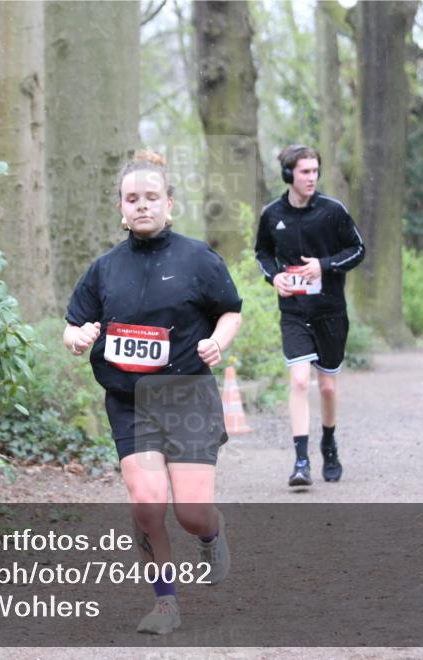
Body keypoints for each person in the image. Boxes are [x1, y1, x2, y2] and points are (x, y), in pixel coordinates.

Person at [63, 149, 243, 635]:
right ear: (120, 209)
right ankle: (165, 604)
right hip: (130, 401)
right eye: (131, 198)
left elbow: (231, 310)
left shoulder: (198, 258)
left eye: (151, 197)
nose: (142, 205)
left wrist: (216, 342)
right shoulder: (104, 269)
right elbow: (75, 322)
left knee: (189, 512)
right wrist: (76, 336)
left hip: (186, 396)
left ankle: (211, 531)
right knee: (146, 505)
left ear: (169, 204)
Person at [255, 145, 365, 487]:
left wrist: (325, 265)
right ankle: (301, 461)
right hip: (294, 312)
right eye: (305, 172)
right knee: (300, 380)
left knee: (327, 387)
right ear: (289, 175)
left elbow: (358, 249)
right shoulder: (272, 214)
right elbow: (262, 253)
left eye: (315, 171)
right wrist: (276, 278)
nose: (311, 177)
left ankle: (328, 443)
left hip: (330, 311)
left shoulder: (332, 211)